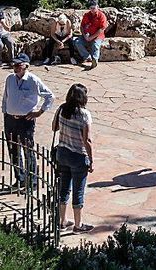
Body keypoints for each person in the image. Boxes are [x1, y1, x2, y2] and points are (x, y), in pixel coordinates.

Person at [1, 53, 54, 186]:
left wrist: (40, 112)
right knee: (13, 150)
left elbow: (50, 96)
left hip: (26, 120)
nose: (16, 67)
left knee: (27, 150)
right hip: (10, 119)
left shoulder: (33, 80)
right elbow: (5, 96)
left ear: (26, 66)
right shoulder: (10, 79)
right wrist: (5, 112)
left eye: (19, 65)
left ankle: (32, 180)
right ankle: (20, 179)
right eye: (15, 65)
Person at [52, 83, 94, 233]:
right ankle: (78, 225)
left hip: (62, 153)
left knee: (64, 189)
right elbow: (86, 140)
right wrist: (91, 159)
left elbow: (54, 128)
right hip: (78, 155)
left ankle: (62, 222)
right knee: (78, 192)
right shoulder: (84, 114)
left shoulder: (62, 109)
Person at [73, 1, 108, 70]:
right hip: (86, 35)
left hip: (98, 36)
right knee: (77, 42)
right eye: (91, 8)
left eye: (94, 8)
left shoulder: (101, 16)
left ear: (97, 7)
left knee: (95, 45)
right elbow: (82, 26)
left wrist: (92, 37)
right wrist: (85, 36)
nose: (92, 10)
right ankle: (87, 56)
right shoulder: (86, 15)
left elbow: (102, 29)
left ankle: (95, 60)